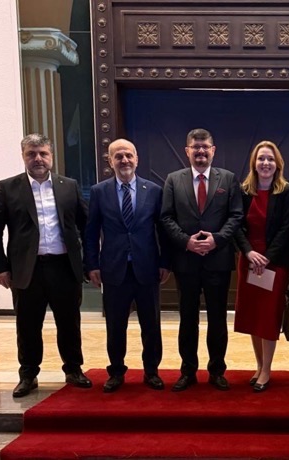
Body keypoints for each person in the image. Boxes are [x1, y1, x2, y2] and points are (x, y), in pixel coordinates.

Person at [0, 133, 91, 397]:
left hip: (64, 267)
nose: (38, 159)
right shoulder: (7, 188)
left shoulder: (69, 186)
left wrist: (89, 262)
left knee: (69, 322)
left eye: (43, 153)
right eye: (31, 154)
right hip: (26, 270)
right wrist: (0, 266)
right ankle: (28, 374)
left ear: (51, 156)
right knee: (28, 325)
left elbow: (86, 225)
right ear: (23, 156)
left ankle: (73, 369)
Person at [84, 139, 170, 393]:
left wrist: (165, 262)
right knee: (115, 325)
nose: (124, 160)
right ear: (110, 161)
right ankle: (116, 371)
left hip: (147, 268)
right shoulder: (99, 192)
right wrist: (92, 264)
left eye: (129, 155)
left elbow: (163, 230)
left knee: (151, 325)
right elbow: (91, 232)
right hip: (113, 269)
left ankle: (151, 371)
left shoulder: (153, 190)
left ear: (137, 159)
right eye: (118, 156)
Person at [161, 128, 243, 392]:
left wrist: (216, 239)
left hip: (218, 261)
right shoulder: (173, 180)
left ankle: (217, 371)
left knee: (218, 319)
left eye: (205, 147)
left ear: (213, 150)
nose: (200, 151)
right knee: (187, 319)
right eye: (195, 147)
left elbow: (236, 216)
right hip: (186, 261)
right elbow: (166, 217)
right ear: (187, 151)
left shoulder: (228, 179)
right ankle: (188, 372)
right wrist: (186, 241)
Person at [233, 141, 289, 392]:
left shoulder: (285, 191)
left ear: (277, 164)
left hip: (274, 263)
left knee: (268, 317)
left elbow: (286, 228)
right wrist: (248, 252)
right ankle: (259, 365)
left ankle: (267, 370)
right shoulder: (244, 190)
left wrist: (267, 257)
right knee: (253, 316)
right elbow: (236, 225)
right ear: (254, 163)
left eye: (270, 159)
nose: (265, 163)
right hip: (249, 261)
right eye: (261, 159)